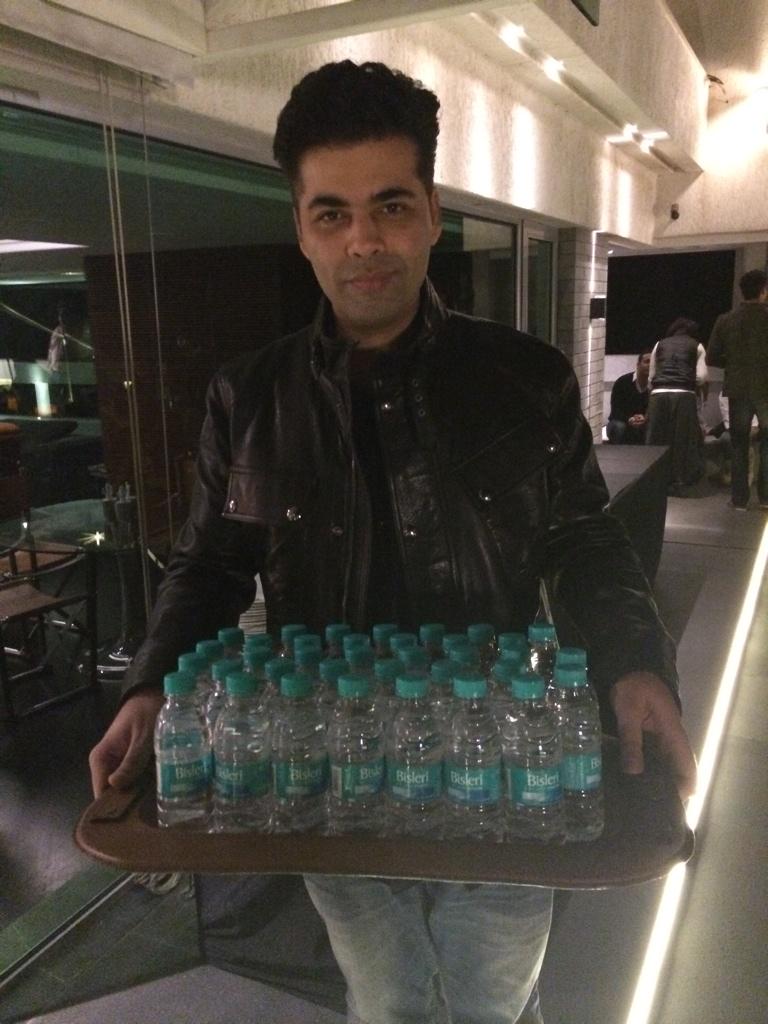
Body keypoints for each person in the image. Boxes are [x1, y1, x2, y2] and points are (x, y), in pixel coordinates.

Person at [89, 61, 696, 1024]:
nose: (363, 241)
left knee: (498, 1004)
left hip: (502, 770)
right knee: (385, 1003)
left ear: (433, 214)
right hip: (334, 779)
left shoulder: (526, 378)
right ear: (301, 228)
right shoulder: (248, 397)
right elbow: (209, 565)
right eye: (331, 214)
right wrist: (151, 683)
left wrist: (635, 661)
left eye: (391, 206)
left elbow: (585, 542)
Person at [706, 268, 768, 511]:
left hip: (737, 388)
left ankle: (739, 499)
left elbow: (711, 357)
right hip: (766, 389)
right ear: (763, 290)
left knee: (739, 444)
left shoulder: (725, 320)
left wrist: (732, 364)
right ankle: (766, 497)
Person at [646, 318, 708, 494]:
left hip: (658, 395)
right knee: (682, 440)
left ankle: (655, 480)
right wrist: (685, 378)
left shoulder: (659, 344)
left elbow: (651, 376)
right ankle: (679, 480)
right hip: (684, 395)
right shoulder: (697, 346)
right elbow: (702, 377)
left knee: (657, 439)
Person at [606, 351, 651, 444]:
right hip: (622, 421)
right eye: (647, 361)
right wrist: (629, 419)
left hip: (643, 422)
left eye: (652, 363)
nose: (650, 365)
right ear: (638, 364)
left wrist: (645, 418)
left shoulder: (654, 385)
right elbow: (615, 411)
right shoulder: (622, 382)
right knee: (618, 426)